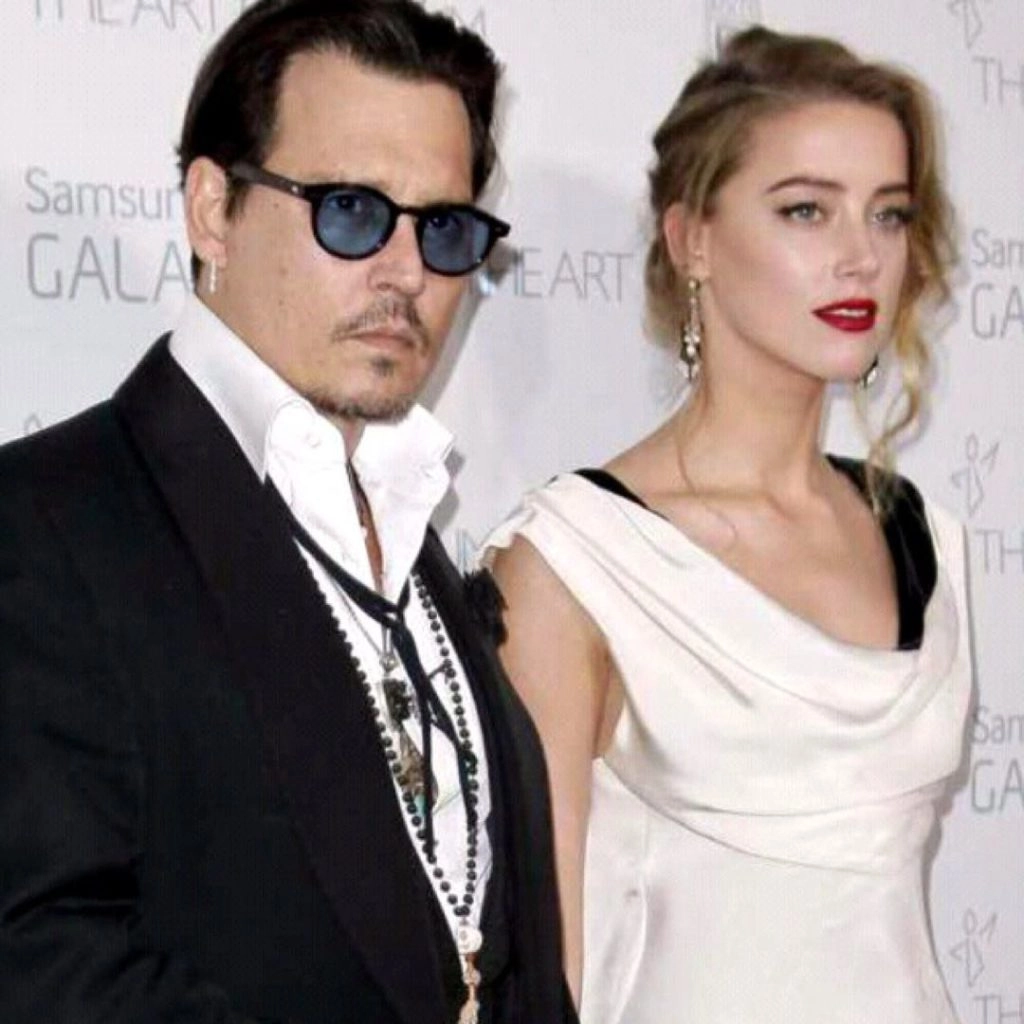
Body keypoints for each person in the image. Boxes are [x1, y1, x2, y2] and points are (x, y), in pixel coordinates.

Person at [0, 3, 574, 1023]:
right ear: (212, 210)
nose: (406, 273)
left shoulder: (412, 529)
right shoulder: (43, 524)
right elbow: (37, 960)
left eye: (443, 228)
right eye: (351, 210)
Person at [485, 26, 968, 1024]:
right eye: (805, 210)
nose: (860, 257)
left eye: (887, 214)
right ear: (691, 239)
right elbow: (535, 980)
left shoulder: (925, 538)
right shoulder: (574, 565)